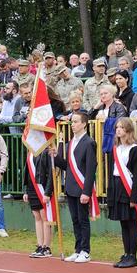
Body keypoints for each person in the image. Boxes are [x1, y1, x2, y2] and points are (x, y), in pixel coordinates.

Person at [51, 111, 98, 263]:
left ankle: (85, 250)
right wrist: (56, 158)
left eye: (76, 122)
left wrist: (86, 192)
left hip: (82, 186)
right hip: (71, 186)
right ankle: (78, 249)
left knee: (83, 220)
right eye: (72, 122)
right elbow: (69, 166)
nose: (73, 124)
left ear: (84, 124)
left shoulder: (89, 142)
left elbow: (91, 169)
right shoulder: (71, 142)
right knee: (75, 220)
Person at [108, 118, 137, 268]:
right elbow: (112, 171)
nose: (118, 130)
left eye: (122, 127)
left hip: (128, 188)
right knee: (123, 223)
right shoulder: (115, 148)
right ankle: (126, 253)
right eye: (117, 127)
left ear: (128, 130)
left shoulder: (134, 149)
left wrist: (133, 197)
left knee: (131, 223)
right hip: (117, 186)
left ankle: (133, 256)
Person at [24, 148, 54, 258]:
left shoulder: (46, 150)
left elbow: (51, 173)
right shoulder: (30, 151)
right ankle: (40, 245)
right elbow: (27, 171)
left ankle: (47, 247)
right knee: (37, 216)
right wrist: (25, 191)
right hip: (32, 188)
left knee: (44, 217)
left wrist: (47, 192)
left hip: (43, 188)